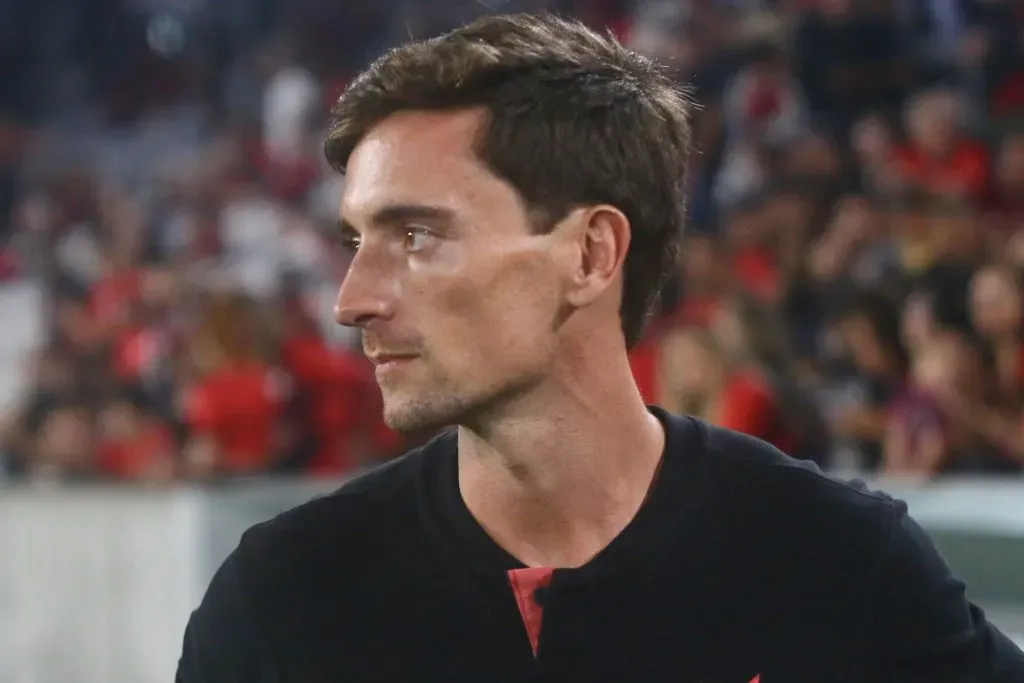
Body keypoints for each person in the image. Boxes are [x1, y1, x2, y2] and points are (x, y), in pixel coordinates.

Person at [176, 13, 1024, 683]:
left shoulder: (840, 565)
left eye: (417, 236)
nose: (351, 299)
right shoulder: (283, 601)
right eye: (356, 240)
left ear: (590, 255)